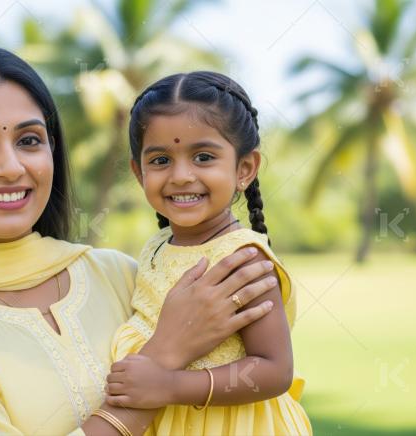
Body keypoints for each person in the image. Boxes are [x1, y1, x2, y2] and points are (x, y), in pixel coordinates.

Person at [0, 49, 280, 435]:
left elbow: (262, 383)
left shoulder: (119, 275)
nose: (11, 167)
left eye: (29, 140)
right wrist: (163, 358)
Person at [107, 71, 312, 435]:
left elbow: (274, 369)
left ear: (244, 169)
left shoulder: (242, 259)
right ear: (139, 173)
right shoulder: (155, 246)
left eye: (203, 157)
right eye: (160, 160)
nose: (181, 175)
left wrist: (171, 386)